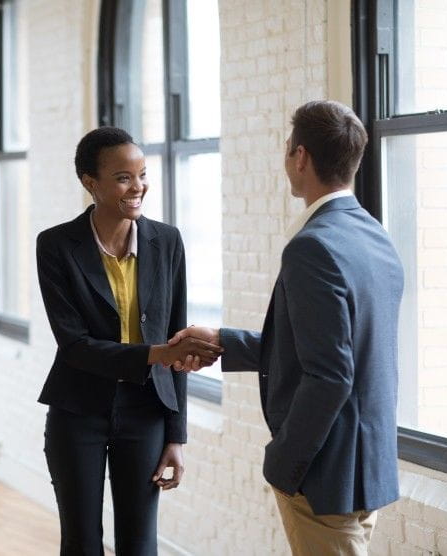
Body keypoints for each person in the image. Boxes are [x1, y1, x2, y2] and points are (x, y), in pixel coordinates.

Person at [170, 101, 404, 555]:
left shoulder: (312, 247)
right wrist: (224, 342)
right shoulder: (374, 234)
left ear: (301, 157)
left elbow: (330, 376)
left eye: (285, 148)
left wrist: (283, 463)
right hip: (365, 469)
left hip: (323, 475)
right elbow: (330, 351)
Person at [36, 126, 223, 556]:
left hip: (147, 413)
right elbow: (75, 345)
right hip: (77, 411)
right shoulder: (56, 246)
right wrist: (159, 353)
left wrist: (176, 437)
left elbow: (178, 344)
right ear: (90, 183)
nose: (137, 186)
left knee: (140, 546)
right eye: (123, 177)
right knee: (82, 543)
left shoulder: (167, 241)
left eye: (141, 174)